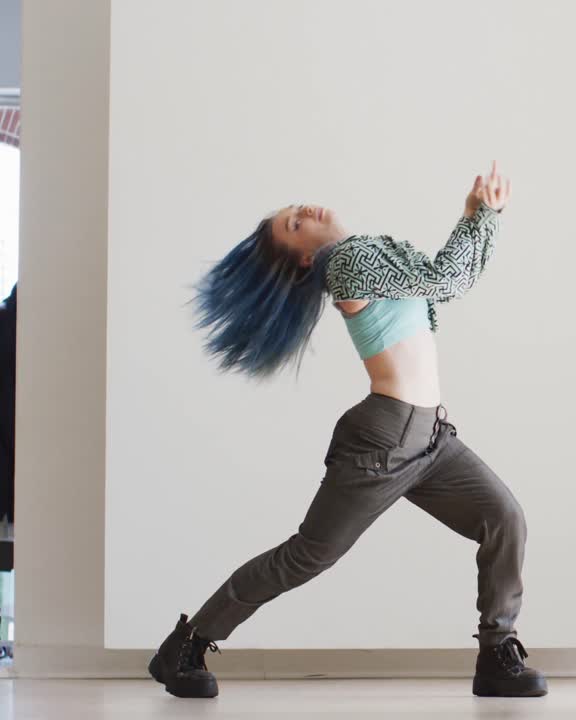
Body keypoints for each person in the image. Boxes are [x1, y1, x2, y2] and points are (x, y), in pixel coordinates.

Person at [148, 163, 546, 700]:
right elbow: (449, 281)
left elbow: (440, 276)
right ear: (306, 257)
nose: (302, 211)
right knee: (307, 556)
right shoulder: (351, 261)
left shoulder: (367, 253)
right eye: (293, 225)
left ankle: (497, 656)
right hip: (384, 443)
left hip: (431, 438)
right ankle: (188, 643)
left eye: (294, 208)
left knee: (504, 518)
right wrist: (487, 219)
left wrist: (475, 216)